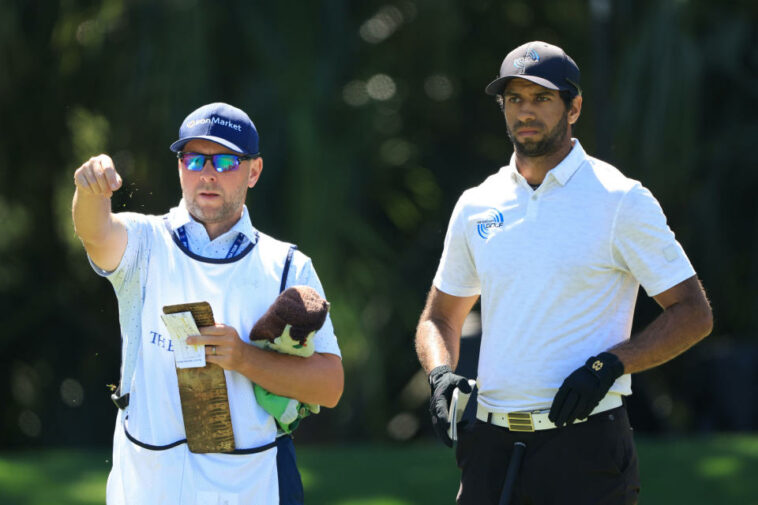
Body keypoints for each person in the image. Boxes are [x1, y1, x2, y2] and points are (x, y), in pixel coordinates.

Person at [414, 41, 713, 505]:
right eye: (515, 99)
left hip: (585, 446)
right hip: (489, 447)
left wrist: (610, 365)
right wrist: (439, 376)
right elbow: (440, 318)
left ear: (573, 107)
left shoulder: (620, 199)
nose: (526, 112)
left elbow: (693, 313)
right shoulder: (477, 203)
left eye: (541, 98)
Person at [72, 102, 343, 505]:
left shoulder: (287, 265)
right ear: (180, 167)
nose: (208, 173)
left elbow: (330, 386)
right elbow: (94, 233)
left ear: (254, 171)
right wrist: (89, 190)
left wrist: (244, 359)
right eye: (194, 159)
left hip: (251, 485)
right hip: (148, 485)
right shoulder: (145, 241)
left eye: (226, 160)